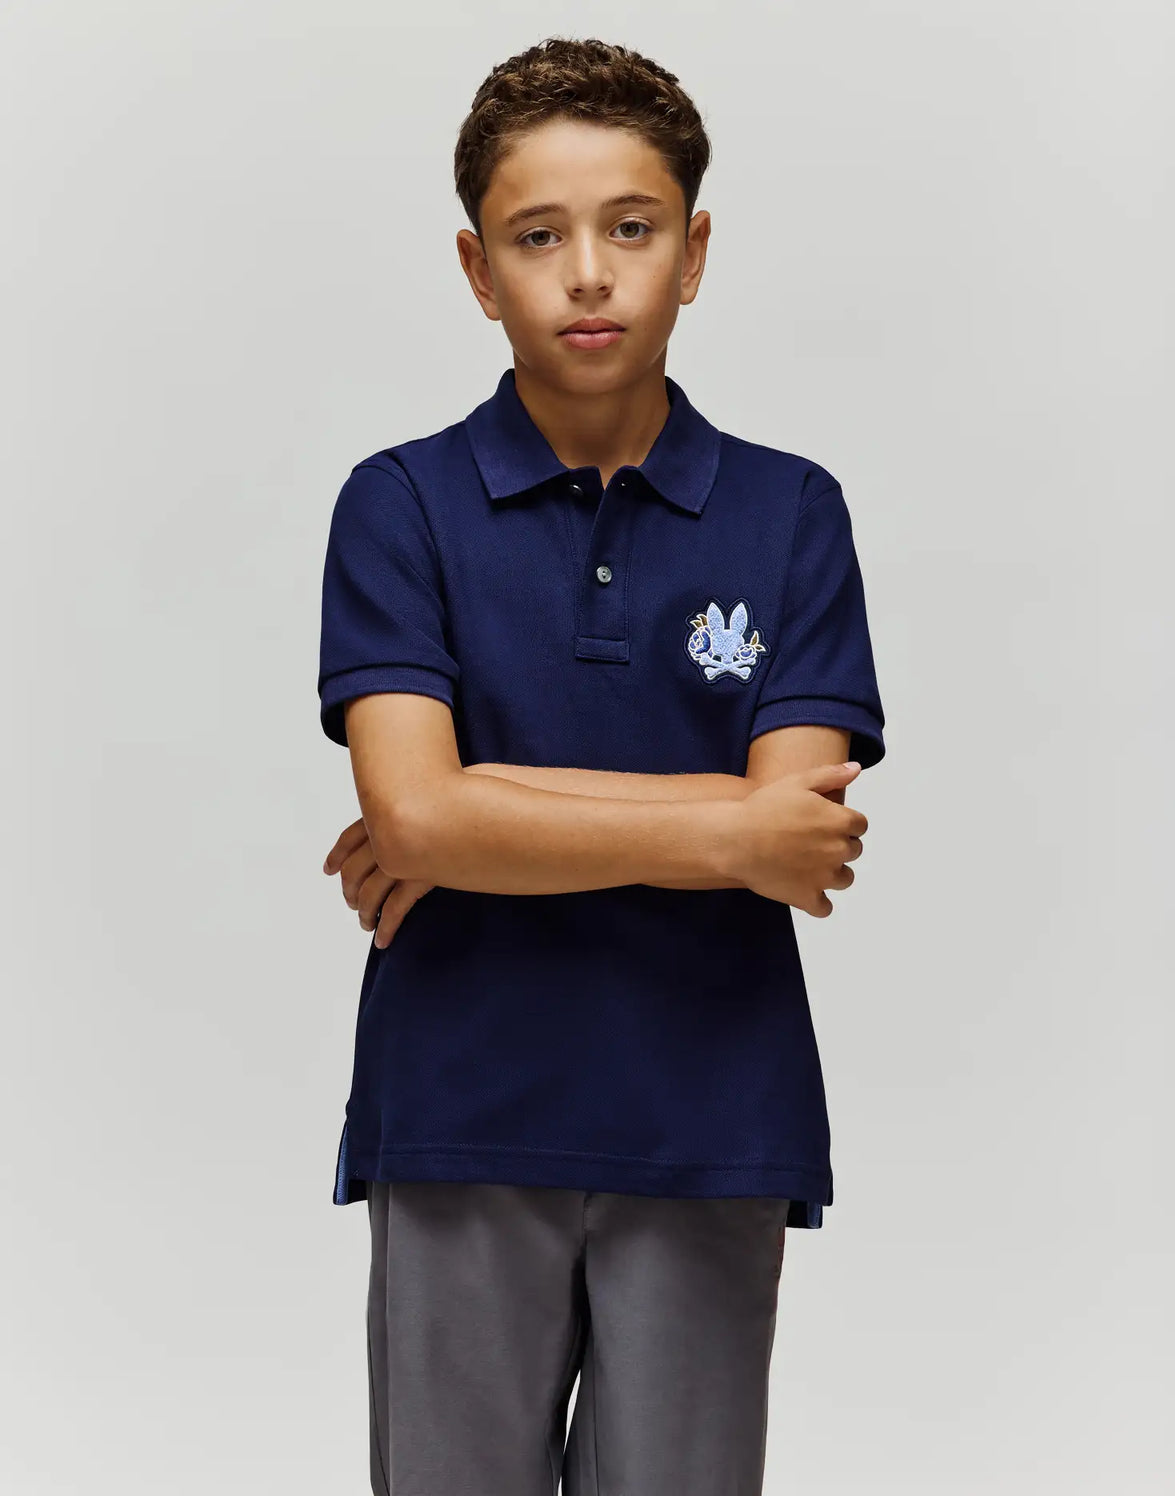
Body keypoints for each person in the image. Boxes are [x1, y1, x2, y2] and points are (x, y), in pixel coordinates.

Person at [316, 35, 886, 1496]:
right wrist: (722, 825)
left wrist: (481, 812)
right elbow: (416, 814)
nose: (587, 274)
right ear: (475, 267)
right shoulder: (399, 506)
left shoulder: (792, 513)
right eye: (537, 236)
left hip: (713, 1118)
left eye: (631, 228)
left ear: (694, 253)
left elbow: (801, 839)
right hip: (461, 1111)